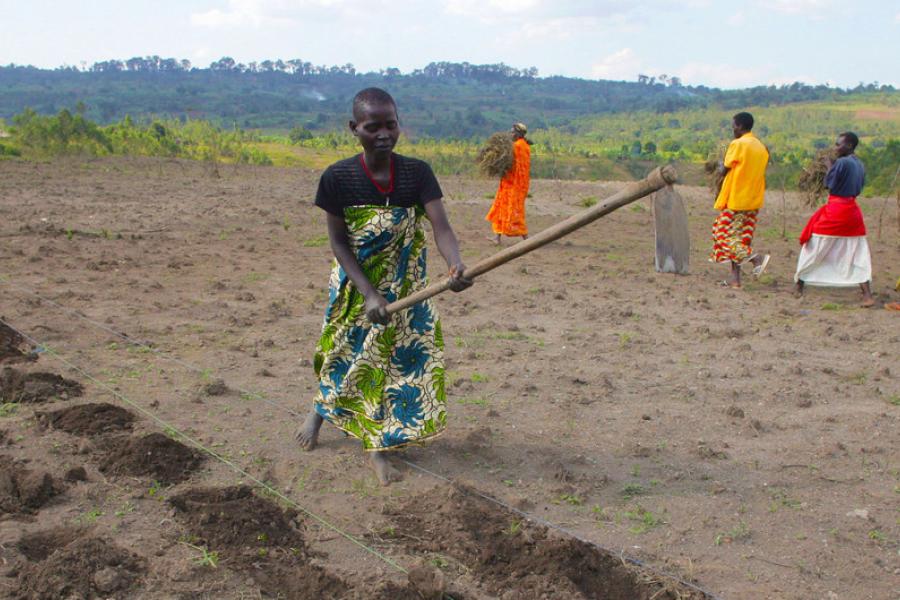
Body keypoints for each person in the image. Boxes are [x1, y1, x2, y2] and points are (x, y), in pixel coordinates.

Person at [296, 88, 472, 485]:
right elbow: (339, 243)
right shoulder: (337, 177)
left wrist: (455, 265)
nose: (383, 134)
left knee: (396, 364)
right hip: (356, 286)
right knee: (345, 355)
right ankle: (318, 413)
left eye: (390, 124)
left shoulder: (417, 173)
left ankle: (379, 447)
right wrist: (370, 293)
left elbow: (441, 228)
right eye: (372, 126)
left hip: (408, 288)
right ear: (353, 128)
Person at [794, 132, 874, 307]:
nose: (836, 147)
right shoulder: (859, 164)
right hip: (853, 213)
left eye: (839, 145)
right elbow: (859, 189)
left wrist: (829, 166)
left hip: (836, 211)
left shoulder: (841, 163)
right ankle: (867, 294)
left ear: (850, 146)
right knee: (856, 252)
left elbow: (829, 184)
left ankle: (799, 284)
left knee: (814, 246)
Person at [710, 112, 770, 288]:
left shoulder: (738, 144)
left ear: (741, 126)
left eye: (734, 126)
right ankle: (735, 280)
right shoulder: (761, 147)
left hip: (736, 199)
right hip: (753, 200)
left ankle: (756, 259)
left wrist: (718, 165)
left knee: (721, 233)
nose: (733, 129)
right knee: (741, 239)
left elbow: (725, 168)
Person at [486, 122, 531, 245]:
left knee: (515, 211)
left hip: (515, 185)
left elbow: (510, 161)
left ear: (518, 134)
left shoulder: (519, 147)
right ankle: (497, 237)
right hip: (509, 184)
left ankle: (526, 238)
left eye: (512, 132)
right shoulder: (523, 146)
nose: (510, 134)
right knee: (501, 208)